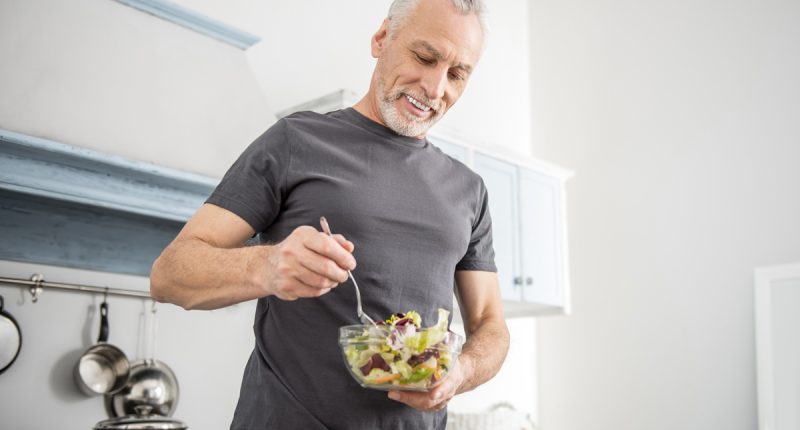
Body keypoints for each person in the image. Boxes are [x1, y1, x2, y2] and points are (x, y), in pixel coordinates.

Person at [150, 0, 510, 428]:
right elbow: (169, 275)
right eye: (424, 57)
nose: (434, 89)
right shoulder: (295, 141)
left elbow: (491, 324)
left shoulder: (469, 190)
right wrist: (267, 265)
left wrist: (463, 371)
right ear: (381, 40)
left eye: (456, 74)